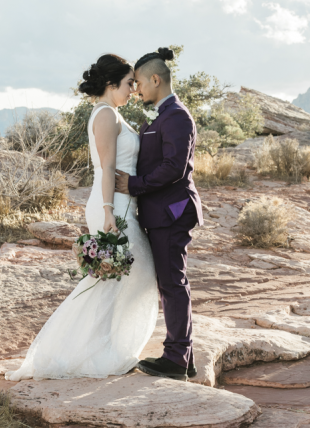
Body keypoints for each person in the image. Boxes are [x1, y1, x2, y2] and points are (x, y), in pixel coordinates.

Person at [5, 54, 158, 381]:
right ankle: (78, 354)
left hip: (121, 203)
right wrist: (107, 213)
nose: (133, 89)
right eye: (129, 83)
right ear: (110, 83)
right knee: (113, 278)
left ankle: (105, 349)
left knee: (122, 278)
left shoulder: (114, 113)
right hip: (113, 206)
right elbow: (105, 168)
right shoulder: (105, 115)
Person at [115, 47, 203, 381]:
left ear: (155, 79)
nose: (136, 90)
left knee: (172, 284)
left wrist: (132, 184)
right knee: (172, 283)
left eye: (138, 82)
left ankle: (176, 359)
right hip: (163, 212)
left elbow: (174, 168)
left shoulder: (177, 116)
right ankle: (185, 357)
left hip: (172, 211)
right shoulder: (165, 115)